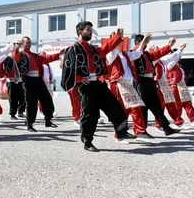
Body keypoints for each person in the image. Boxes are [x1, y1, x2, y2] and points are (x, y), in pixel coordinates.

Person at [61, 21, 135, 152]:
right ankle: (87, 141)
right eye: (87, 29)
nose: (90, 32)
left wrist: (117, 38)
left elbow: (105, 48)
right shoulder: (72, 49)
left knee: (115, 106)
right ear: (80, 31)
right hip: (86, 85)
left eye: (91, 29)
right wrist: (79, 78)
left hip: (98, 83)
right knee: (91, 114)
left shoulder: (92, 49)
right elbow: (67, 68)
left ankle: (121, 131)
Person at [106, 34, 153, 142]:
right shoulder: (110, 54)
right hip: (119, 83)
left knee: (136, 107)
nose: (120, 42)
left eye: (121, 40)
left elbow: (137, 54)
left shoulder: (125, 54)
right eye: (118, 40)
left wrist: (143, 42)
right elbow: (111, 53)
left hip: (129, 84)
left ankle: (140, 131)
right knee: (121, 110)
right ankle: (119, 134)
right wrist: (116, 38)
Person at [132, 34, 180, 136]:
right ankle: (142, 130)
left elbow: (158, 53)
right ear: (137, 43)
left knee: (156, 106)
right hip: (141, 82)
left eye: (146, 43)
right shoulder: (134, 52)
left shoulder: (147, 54)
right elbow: (136, 51)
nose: (145, 45)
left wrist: (169, 45)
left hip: (149, 81)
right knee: (143, 107)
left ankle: (166, 127)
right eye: (144, 43)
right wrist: (144, 41)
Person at [12, 36, 61, 132]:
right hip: (28, 80)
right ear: (22, 44)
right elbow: (15, 58)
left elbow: (47, 58)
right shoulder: (20, 54)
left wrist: (59, 55)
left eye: (30, 42)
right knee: (31, 103)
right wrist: (16, 47)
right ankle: (29, 124)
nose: (29, 44)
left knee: (47, 99)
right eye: (27, 42)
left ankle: (48, 120)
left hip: (38, 79)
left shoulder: (34, 55)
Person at [152, 45, 186, 131]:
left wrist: (179, 50)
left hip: (164, 84)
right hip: (157, 85)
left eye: (158, 49)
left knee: (171, 103)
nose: (158, 51)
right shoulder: (152, 60)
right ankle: (158, 124)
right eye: (156, 50)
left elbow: (171, 57)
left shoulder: (162, 60)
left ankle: (179, 122)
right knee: (160, 106)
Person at [165, 46, 194, 128]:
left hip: (182, 86)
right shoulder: (169, 64)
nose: (179, 57)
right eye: (176, 55)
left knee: (188, 103)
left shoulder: (178, 65)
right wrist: (180, 51)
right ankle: (179, 122)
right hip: (174, 86)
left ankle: (193, 120)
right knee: (177, 105)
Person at [0, 56, 26, 120]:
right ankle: (12, 114)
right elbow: (1, 72)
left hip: (19, 80)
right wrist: (4, 75)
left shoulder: (20, 58)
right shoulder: (4, 59)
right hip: (11, 81)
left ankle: (20, 111)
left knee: (23, 98)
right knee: (13, 98)